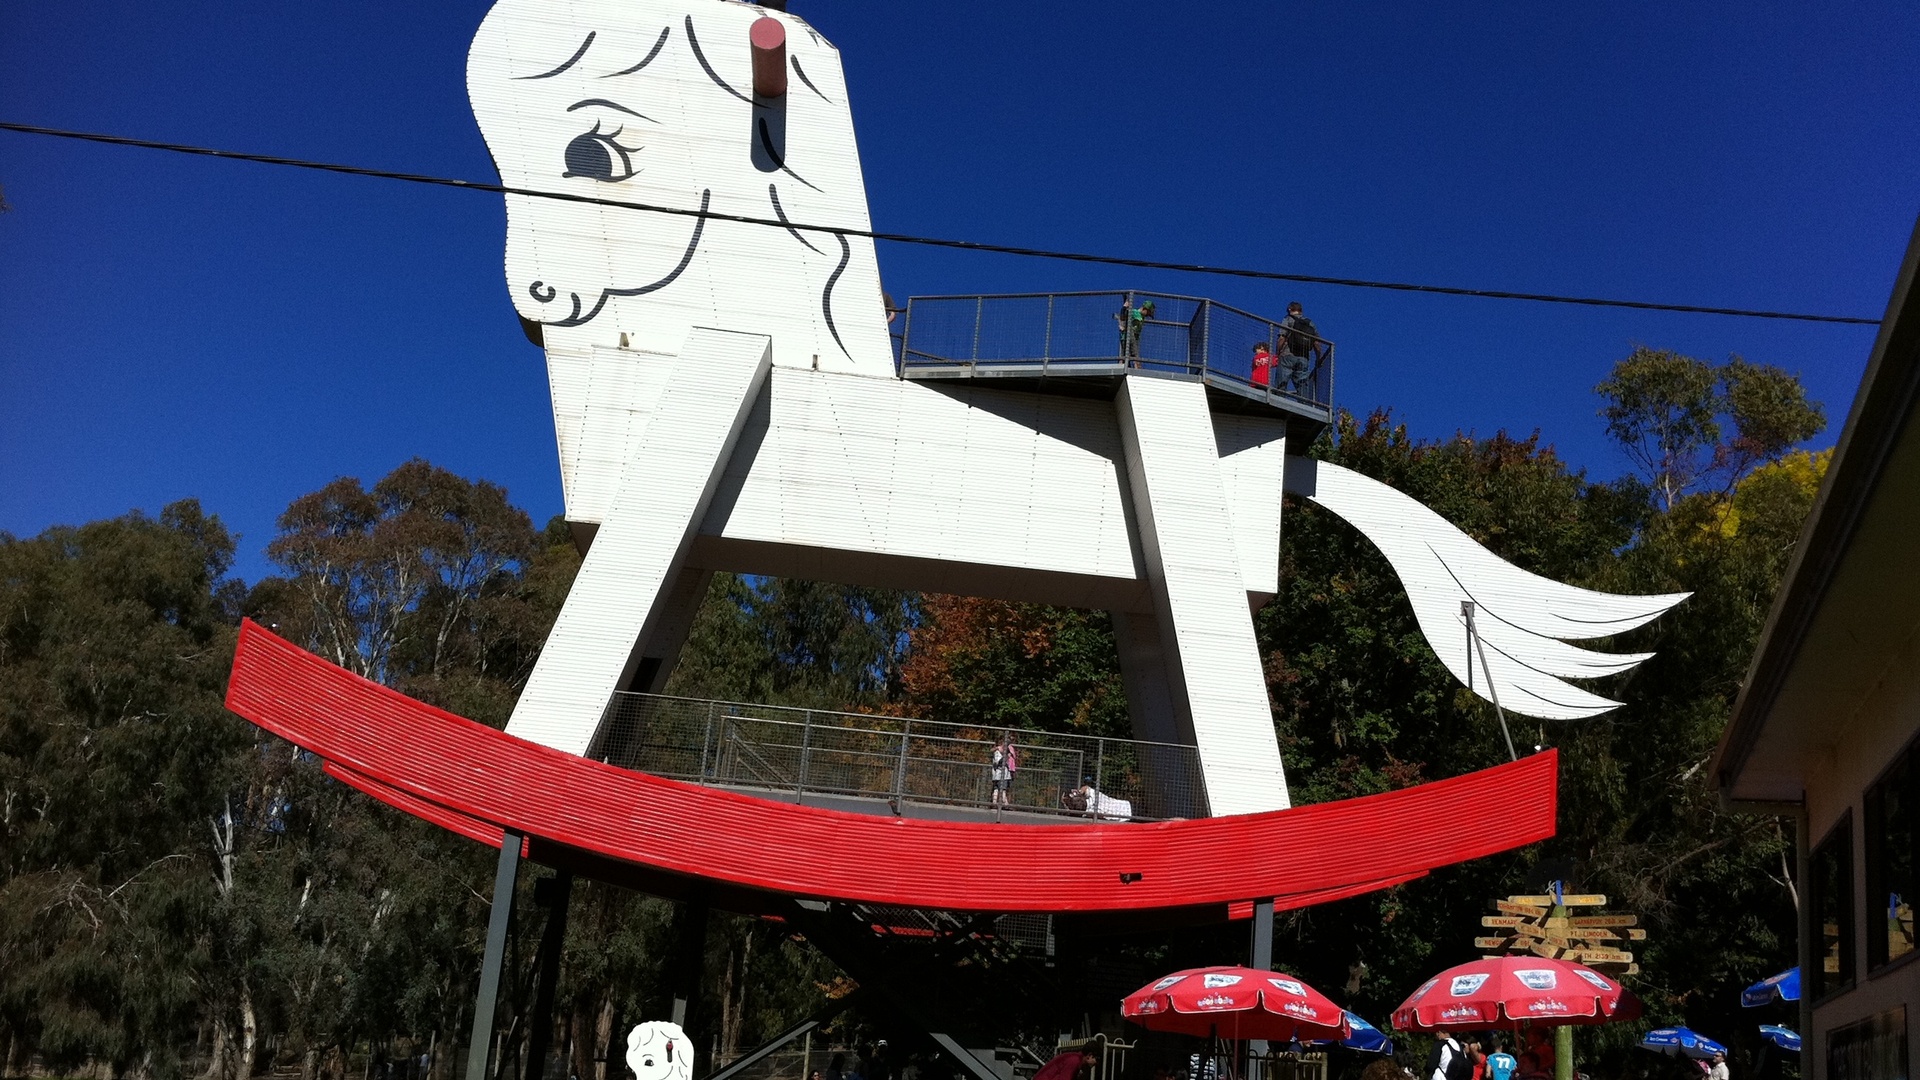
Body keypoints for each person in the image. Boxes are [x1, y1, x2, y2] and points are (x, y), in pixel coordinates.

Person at [1276, 301, 1319, 393]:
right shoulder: (1310, 323)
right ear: (1301, 311)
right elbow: (1316, 343)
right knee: (1302, 384)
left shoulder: (1288, 319)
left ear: (1289, 309)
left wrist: (1277, 352)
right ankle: (1304, 402)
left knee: (1282, 382)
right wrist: (1318, 358)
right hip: (1304, 357)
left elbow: (1282, 337)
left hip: (1287, 355)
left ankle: (1279, 398)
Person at [990, 731, 1017, 810]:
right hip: (999, 773)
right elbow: (998, 762)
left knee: (999, 788)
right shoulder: (998, 752)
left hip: (1003, 773)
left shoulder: (1004, 751)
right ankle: (1002, 803)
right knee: (1001, 789)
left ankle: (999, 802)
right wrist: (1006, 757)